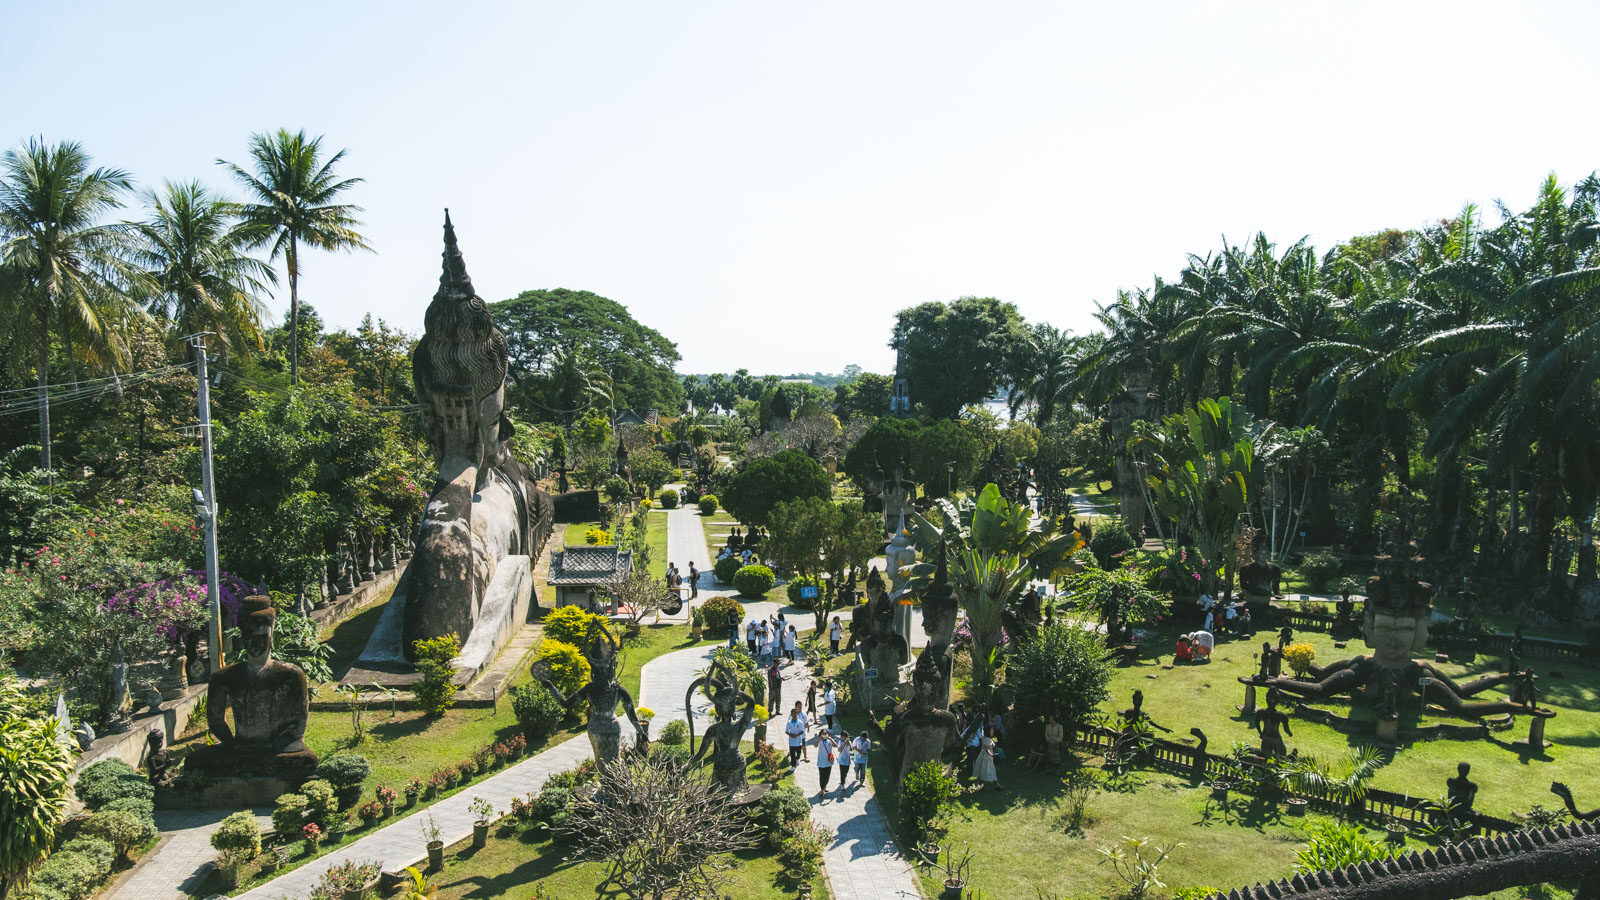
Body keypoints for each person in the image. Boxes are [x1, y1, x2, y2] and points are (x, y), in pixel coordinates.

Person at [814, 727, 839, 796]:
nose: (824, 735)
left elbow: (836, 745)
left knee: (827, 776)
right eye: (823, 733)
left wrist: (830, 739)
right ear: (820, 735)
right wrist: (820, 739)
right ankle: (822, 789)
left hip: (828, 762)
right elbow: (815, 745)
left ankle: (824, 787)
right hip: (821, 761)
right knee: (822, 776)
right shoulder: (820, 741)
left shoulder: (829, 741)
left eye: (826, 733)